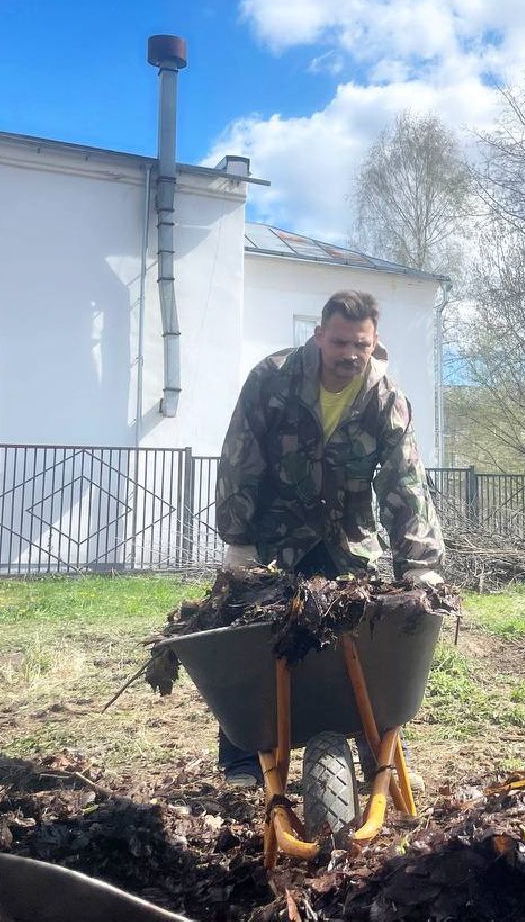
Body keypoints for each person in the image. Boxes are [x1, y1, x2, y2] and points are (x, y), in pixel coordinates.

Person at [214, 289, 445, 784]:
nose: (349, 355)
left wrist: (419, 562)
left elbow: (405, 480)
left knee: (365, 642)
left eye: (360, 345)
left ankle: (377, 757)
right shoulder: (272, 380)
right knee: (252, 638)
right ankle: (242, 760)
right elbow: (240, 458)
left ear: (374, 342)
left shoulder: (385, 399)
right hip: (277, 534)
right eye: (339, 342)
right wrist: (240, 539)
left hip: (347, 535)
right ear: (319, 336)